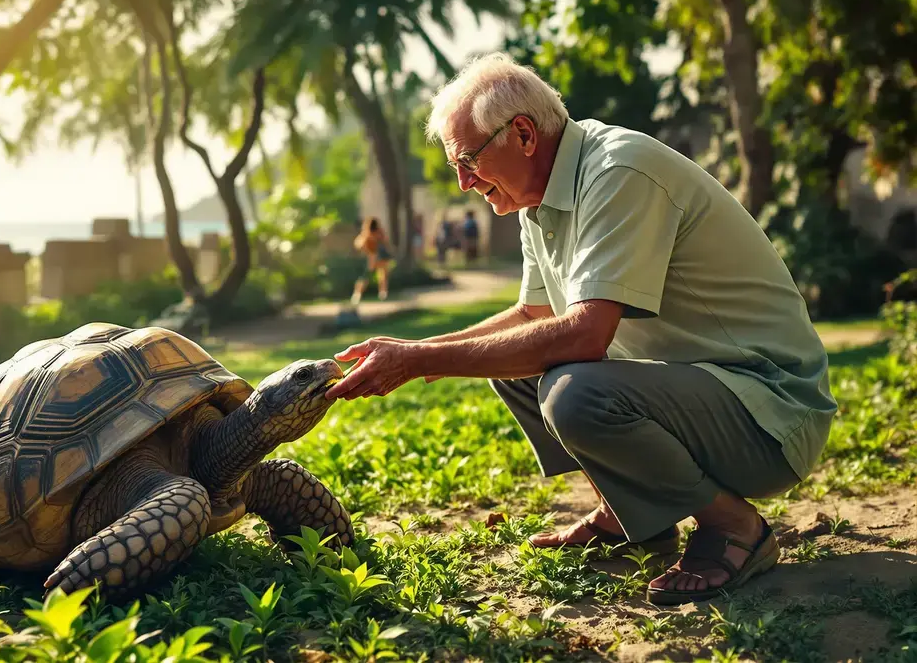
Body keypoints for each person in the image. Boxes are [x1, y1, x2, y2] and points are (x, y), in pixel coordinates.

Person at [323, 52, 837, 605]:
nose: (464, 182)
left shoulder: (618, 171)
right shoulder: (536, 199)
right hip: (707, 394)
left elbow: (582, 337)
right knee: (513, 365)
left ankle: (736, 528)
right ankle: (629, 515)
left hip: (771, 416)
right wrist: (414, 349)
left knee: (574, 393)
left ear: (523, 133)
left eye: (467, 159)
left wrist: (420, 362)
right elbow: (534, 319)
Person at [351, 217, 393, 305]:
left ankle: (383, 293)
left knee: (382, 276)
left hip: (380, 258)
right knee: (366, 277)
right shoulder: (366, 234)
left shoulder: (379, 232)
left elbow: (385, 242)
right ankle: (357, 294)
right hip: (372, 258)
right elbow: (359, 244)